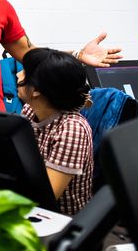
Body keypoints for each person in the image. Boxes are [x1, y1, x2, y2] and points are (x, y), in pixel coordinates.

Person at [16, 48, 94, 215]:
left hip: (62, 221)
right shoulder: (30, 111)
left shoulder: (72, 129)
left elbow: (47, 196)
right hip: (32, 208)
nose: (18, 75)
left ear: (37, 90)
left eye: (24, 72)